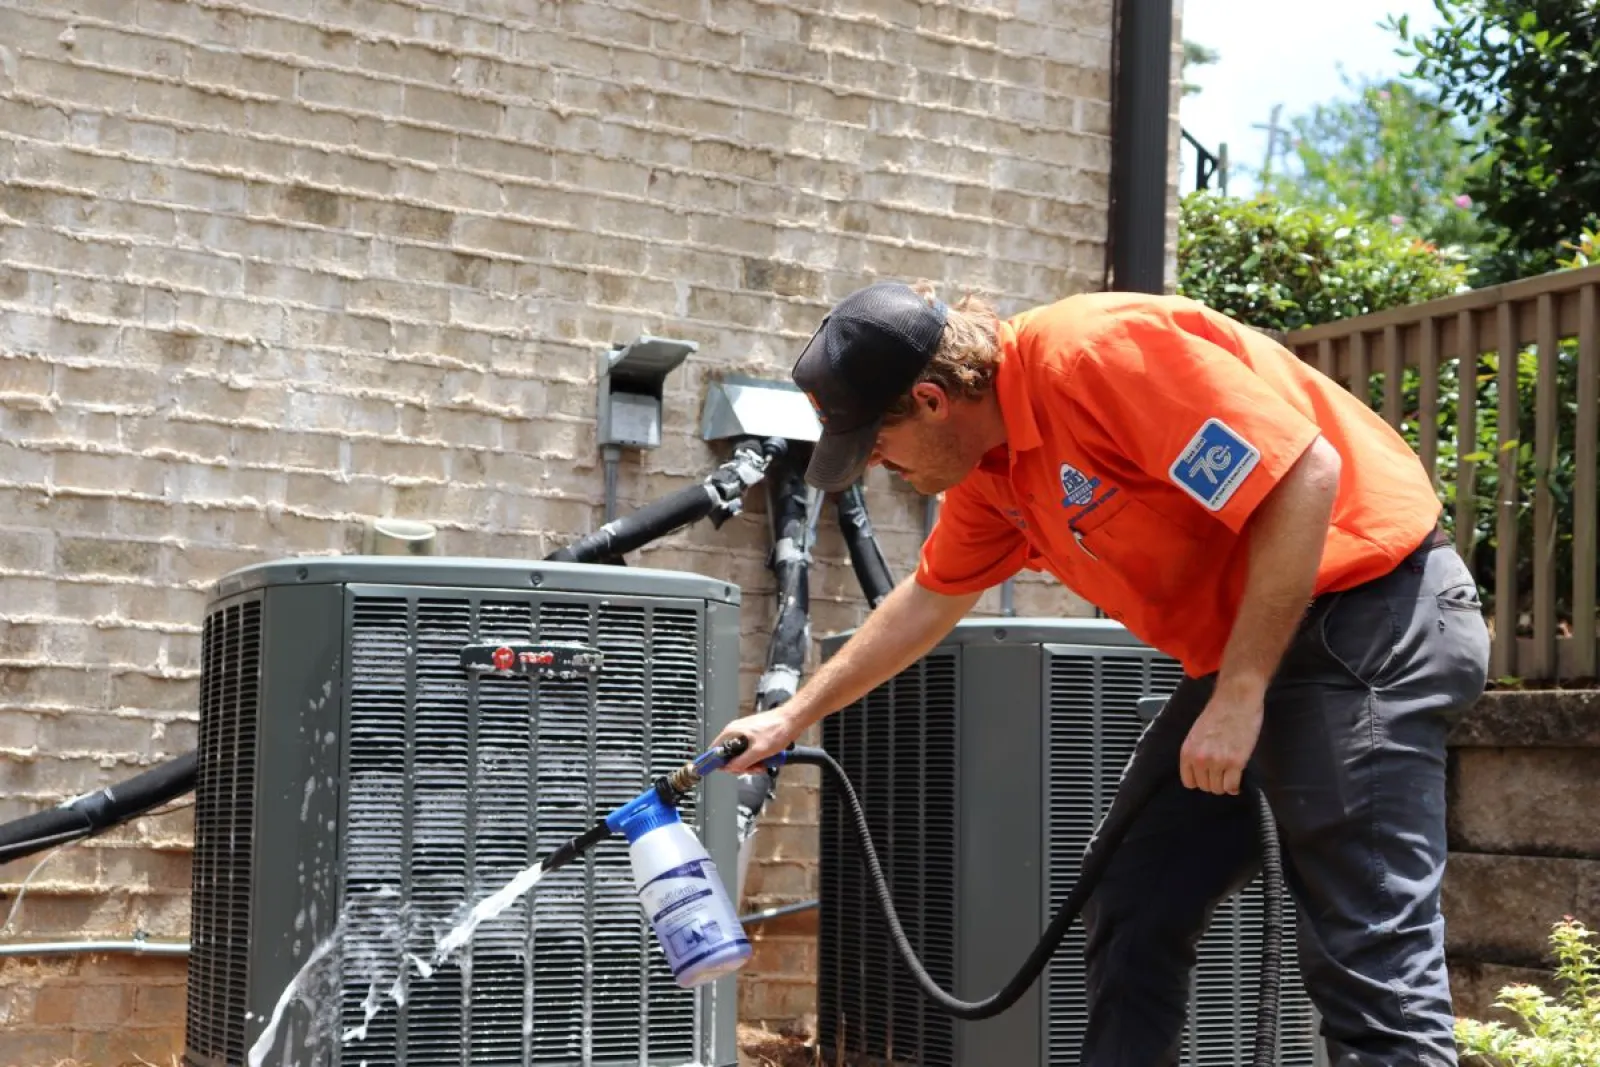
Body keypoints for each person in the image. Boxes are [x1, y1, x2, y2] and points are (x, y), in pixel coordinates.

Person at [712, 280, 1491, 1067]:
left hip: (1371, 616)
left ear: (931, 399)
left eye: (877, 443)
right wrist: (791, 717)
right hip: (1254, 650)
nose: (879, 466)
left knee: (1369, 964)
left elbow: (1301, 477)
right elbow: (929, 600)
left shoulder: (1099, 360)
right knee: (1133, 894)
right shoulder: (993, 471)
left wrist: (1241, 693)